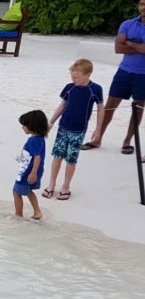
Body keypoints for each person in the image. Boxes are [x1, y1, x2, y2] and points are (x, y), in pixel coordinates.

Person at [80, 0, 145, 154]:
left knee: (137, 109)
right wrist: (137, 46)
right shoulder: (127, 24)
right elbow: (118, 48)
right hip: (123, 72)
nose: (144, 7)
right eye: (142, 4)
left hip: (143, 75)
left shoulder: (128, 29)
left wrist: (128, 42)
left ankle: (127, 141)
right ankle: (97, 138)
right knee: (109, 107)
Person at [43, 59, 104, 201]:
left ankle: (66, 186)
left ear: (88, 75)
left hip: (79, 130)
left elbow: (101, 110)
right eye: (72, 76)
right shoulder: (69, 87)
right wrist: (50, 123)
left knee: (71, 159)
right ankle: (52, 184)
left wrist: (98, 129)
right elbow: (62, 106)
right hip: (63, 127)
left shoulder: (95, 89)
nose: (73, 79)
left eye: (76, 77)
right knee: (57, 155)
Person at [14, 110, 49, 220]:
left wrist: (32, 173)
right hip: (35, 169)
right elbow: (33, 156)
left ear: (31, 126)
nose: (22, 127)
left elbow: (37, 157)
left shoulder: (33, 140)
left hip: (28, 172)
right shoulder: (40, 138)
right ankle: (37, 212)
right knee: (29, 191)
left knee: (16, 192)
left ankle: (18, 215)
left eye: (24, 125)